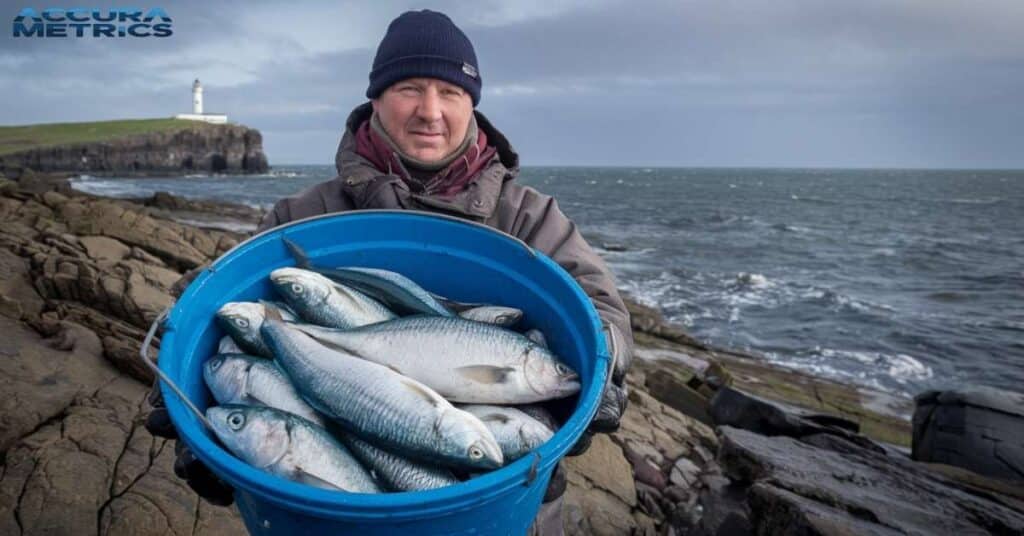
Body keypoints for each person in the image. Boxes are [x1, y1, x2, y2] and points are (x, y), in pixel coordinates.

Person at [146, 9, 634, 535]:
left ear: (472, 104)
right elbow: (219, 309)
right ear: (376, 98)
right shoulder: (304, 217)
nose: (431, 111)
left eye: (450, 92)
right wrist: (200, 421)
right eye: (409, 88)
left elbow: (602, 311)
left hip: (509, 510)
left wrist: (603, 369)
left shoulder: (527, 216)